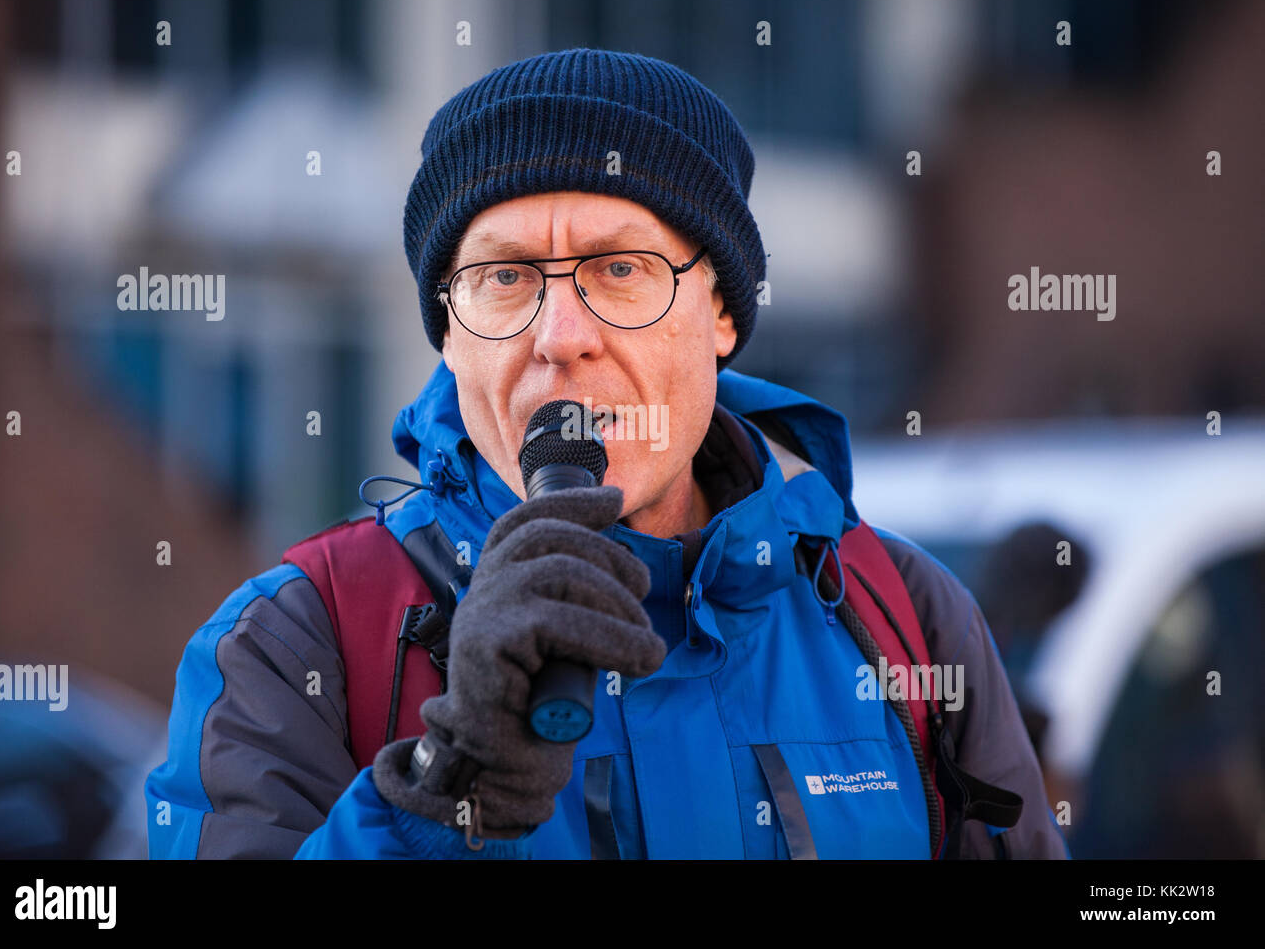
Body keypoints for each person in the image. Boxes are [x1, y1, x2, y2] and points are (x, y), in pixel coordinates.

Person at [146, 47, 1068, 859]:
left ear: (721, 314)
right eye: (504, 277)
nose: (562, 335)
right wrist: (443, 792)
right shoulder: (296, 644)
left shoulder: (905, 618)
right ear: (450, 339)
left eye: (621, 270)